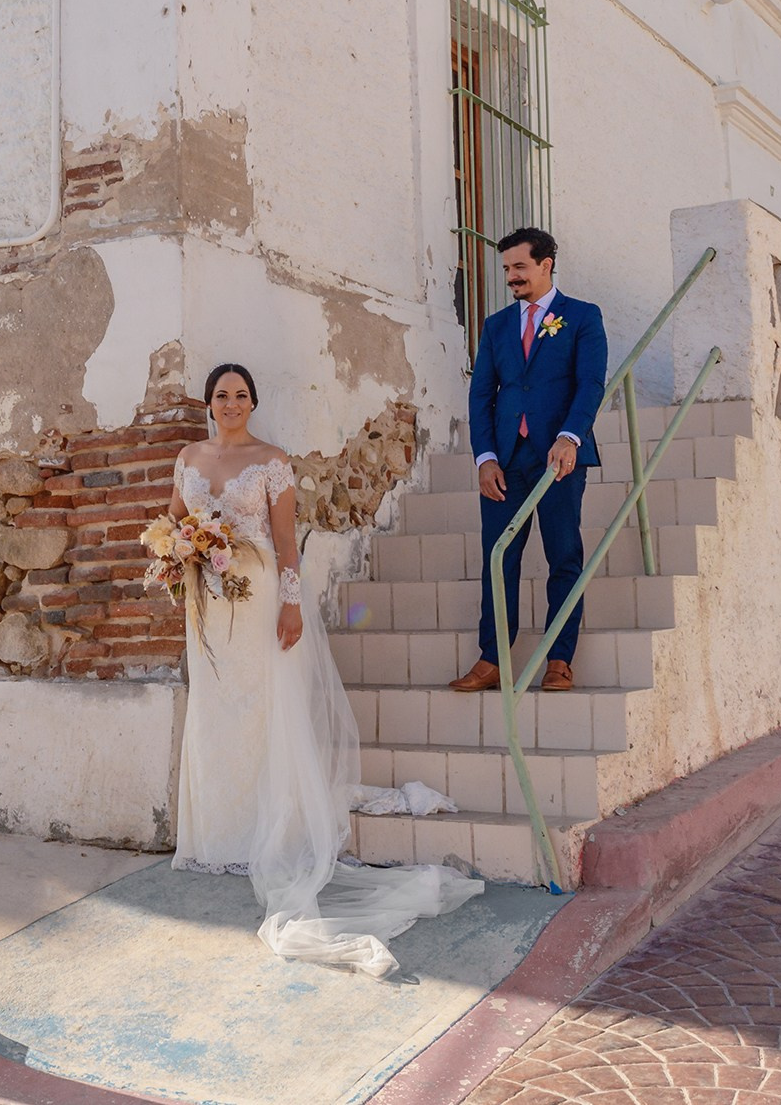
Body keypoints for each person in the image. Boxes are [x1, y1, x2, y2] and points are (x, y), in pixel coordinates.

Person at [169, 363, 481, 978]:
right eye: (220, 395)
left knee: (263, 711)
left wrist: (290, 604)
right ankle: (216, 837)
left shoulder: (272, 460)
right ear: (208, 403)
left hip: (258, 600)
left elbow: (287, 544)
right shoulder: (187, 456)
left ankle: (267, 832)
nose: (230, 403)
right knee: (215, 712)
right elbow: (174, 520)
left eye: (240, 395)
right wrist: (178, 551)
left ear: (253, 402)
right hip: (206, 605)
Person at [450, 227, 607, 696]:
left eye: (519, 267)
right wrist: (485, 458)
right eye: (506, 269)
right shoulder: (497, 325)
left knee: (563, 555)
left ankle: (559, 660)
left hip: (559, 457)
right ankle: (492, 658)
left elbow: (591, 384)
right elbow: (482, 395)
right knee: (498, 560)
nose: (511, 277)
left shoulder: (581, 316)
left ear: (546, 264)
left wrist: (570, 436)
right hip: (506, 460)